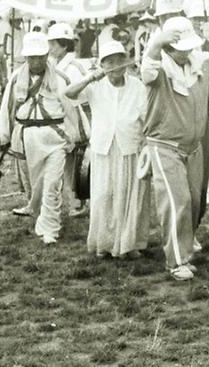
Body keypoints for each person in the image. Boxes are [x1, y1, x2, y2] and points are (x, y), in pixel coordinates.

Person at [140, 16, 209, 280]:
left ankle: (185, 246)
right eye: (180, 48)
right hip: (164, 145)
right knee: (178, 202)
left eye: (189, 46)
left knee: (195, 201)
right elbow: (147, 68)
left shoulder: (197, 63)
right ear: (167, 48)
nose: (186, 52)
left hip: (193, 146)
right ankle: (176, 261)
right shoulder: (158, 70)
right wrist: (157, 43)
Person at [65, 40, 149, 258]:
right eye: (109, 62)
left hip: (129, 146)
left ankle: (127, 245)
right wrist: (89, 77)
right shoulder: (95, 86)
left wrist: (146, 141)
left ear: (126, 64)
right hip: (103, 147)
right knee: (103, 195)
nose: (115, 67)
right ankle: (104, 243)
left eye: (119, 62)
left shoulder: (137, 86)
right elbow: (69, 93)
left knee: (127, 194)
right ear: (102, 65)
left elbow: (145, 116)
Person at [0, 32, 81, 245]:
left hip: (55, 137)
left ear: (46, 55)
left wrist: (77, 136)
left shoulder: (60, 79)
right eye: (31, 57)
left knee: (52, 183)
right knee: (37, 185)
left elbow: (71, 110)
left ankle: (50, 228)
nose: (36, 61)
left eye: (40, 56)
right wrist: (3, 137)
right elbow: (7, 109)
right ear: (26, 58)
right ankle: (40, 214)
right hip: (28, 138)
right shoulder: (16, 79)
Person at [47, 23, 91, 217]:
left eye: (54, 44)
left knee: (77, 163)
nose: (51, 48)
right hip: (60, 119)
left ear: (64, 45)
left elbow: (82, 97)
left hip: (74, 119)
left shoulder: (73, 67)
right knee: (66, 163)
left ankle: (79, 202)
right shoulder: (54, 64)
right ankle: (73, 200)